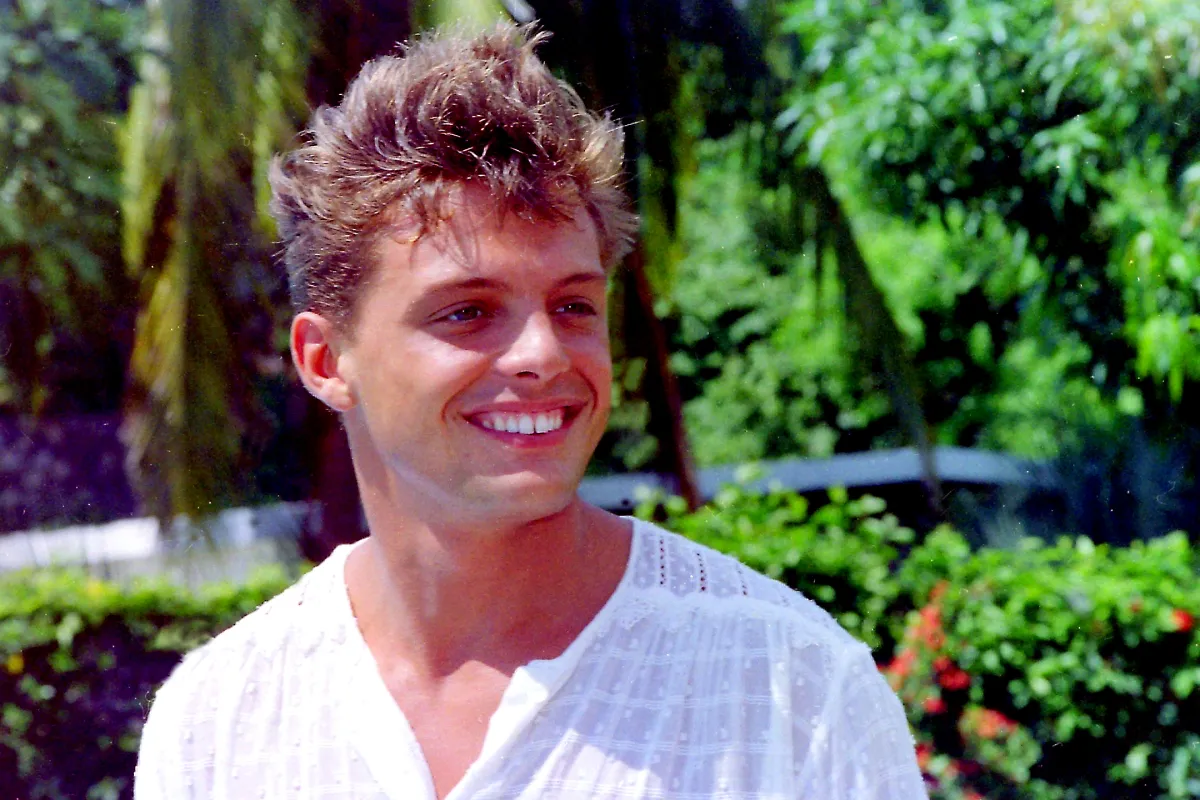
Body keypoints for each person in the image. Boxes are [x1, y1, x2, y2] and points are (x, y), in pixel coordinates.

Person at [133, 23, 927, 800]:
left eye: (574, 305)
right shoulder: (220, 721)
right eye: (467, 312)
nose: (544, 354)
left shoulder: (789, 690)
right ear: (325, 360)